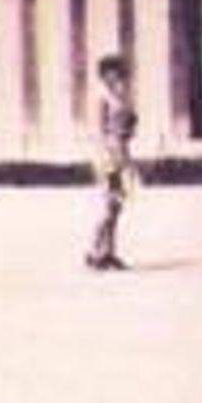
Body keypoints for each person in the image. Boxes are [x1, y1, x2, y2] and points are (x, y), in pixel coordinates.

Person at [85, 53, 137, 271]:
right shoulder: (102, 97)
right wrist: (110, 155)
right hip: (107, 155)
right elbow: (99, 130)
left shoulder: (120, 96)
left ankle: (110, 252)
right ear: (104, 74)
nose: (116, 76)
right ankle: (93, 250)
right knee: (108, 206)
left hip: (121, 151)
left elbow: (127, 124)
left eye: (118, 72)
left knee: (117, 206)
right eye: (111, 72)